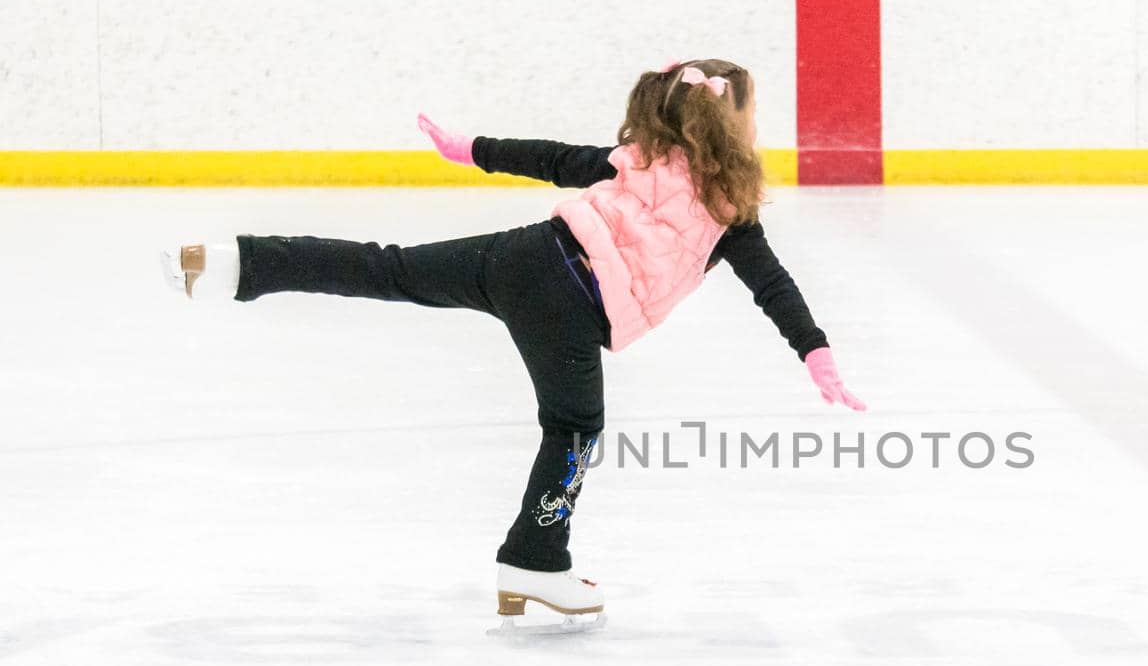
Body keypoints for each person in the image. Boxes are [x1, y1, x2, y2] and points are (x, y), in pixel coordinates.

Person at [159, 59, 865, 622]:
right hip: (570, 302)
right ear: (732, 125)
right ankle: (534, 560)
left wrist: (470, 149)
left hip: (525, 254)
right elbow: (772, 285)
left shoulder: (636, 158)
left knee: (390, 266)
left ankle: (236, 262)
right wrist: (816, 351)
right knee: (576, 427)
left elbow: (550, 158)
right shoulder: (729, 210)